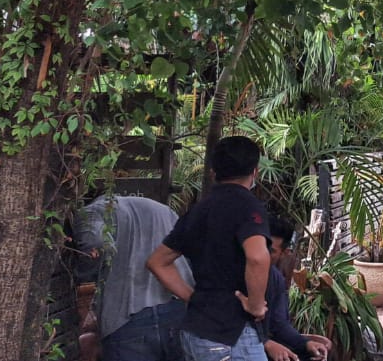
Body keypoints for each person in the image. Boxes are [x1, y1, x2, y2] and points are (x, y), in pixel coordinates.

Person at [148, 136, 271, 361]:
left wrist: (194, 299)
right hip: (230, 335)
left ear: (213, 172)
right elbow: (257, 257)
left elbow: (158, 262)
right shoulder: (247, 206)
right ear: (255, 171)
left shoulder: (198, 210)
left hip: (195, 333)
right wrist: (255, 305)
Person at [75, 195, 192, 361]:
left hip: (127, 318)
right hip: (178, 311)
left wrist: (83, 277)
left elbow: (95, 245)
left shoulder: (91, 212)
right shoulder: (164, 209)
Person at [261, 217, 331, 361]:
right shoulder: (234, 273)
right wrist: (265, 344)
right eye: (260, 246)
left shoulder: (276, 280)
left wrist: (306, 344)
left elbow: (279, 325)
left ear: (284, 252)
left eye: (271, 251)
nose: (262, 254)